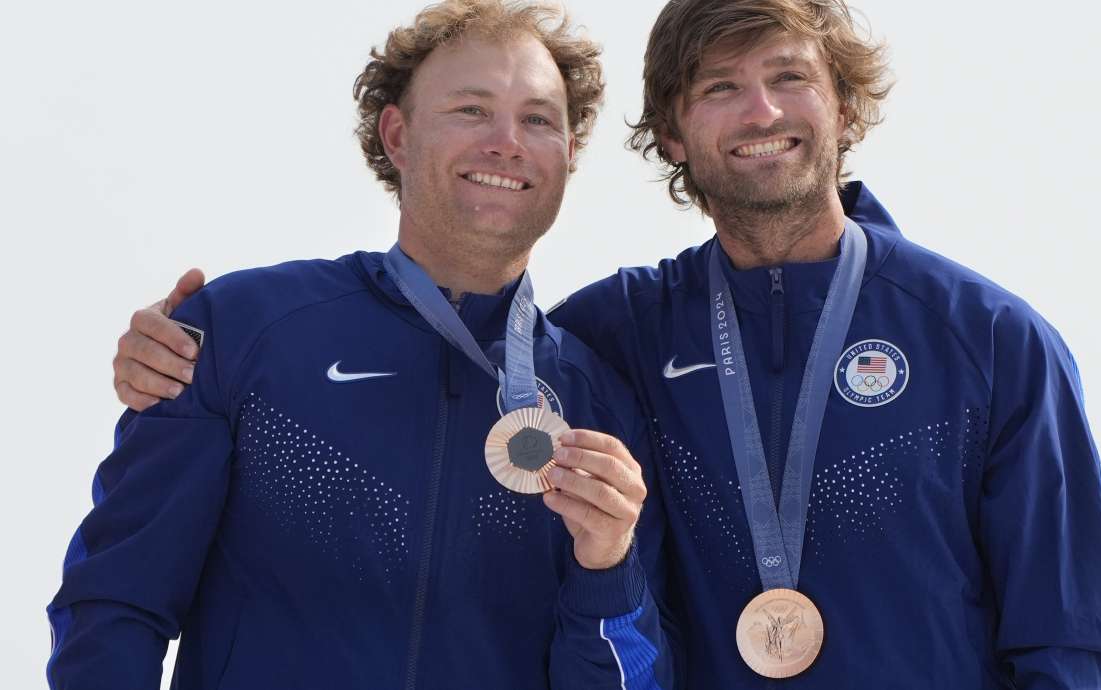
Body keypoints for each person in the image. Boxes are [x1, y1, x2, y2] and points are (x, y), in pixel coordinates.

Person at [108, 0, 1101, 687]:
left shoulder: (988, 341)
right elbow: (457, 345)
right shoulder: (609, 345)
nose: (760, 112)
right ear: (671, 136)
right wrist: (173, 352)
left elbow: (1081, 646)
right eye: (719, 88)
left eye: (789, 78)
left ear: (843, 105)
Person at [47, 2, 678, 689]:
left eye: (537, 119)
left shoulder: (598, 404)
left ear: (568, 154)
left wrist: (606, 572)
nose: (507, 141)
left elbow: (627, 679)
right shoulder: (242, 330)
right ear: (398, 135)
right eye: (471, 110)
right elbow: (113, 603)